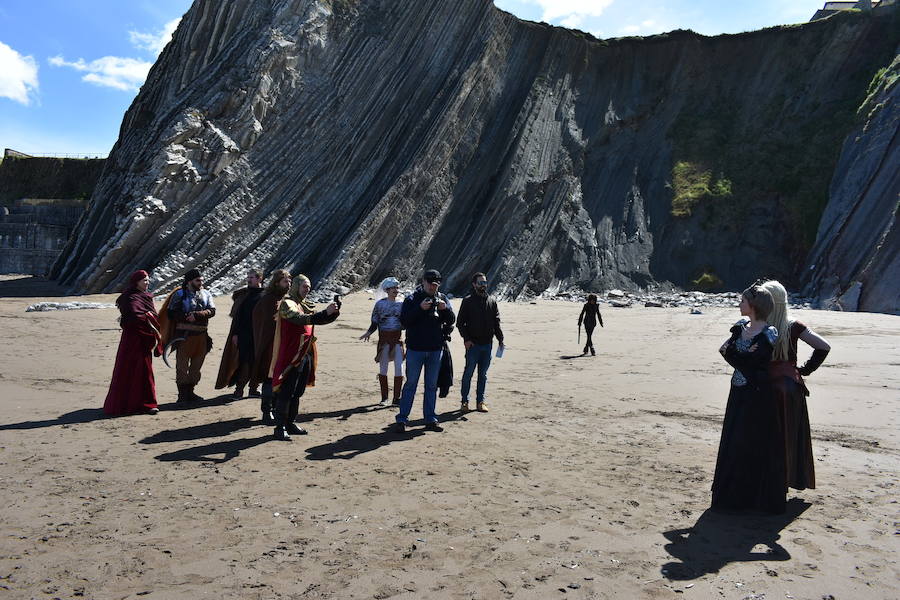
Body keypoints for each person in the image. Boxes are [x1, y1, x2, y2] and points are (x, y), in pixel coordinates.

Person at [711, 284, 786, 514]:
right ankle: (731, 496)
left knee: (753, 442)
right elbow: (726, 351)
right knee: (733, 440)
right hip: (739, 392)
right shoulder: (741, 328)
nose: (739, 304)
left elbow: (748, 360)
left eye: (743, 301)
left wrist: (738, 357)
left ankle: (751, 498)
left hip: (758, 396)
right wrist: (742, 357)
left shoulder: (768, 333)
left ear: (753, 306)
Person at [760, 279, 831, 492]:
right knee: (790, 437)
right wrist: (804, 369)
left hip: (764, 386)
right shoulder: (793, 325)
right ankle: (790, 479)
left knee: (764, 436)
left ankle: (765, 481)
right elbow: (824, 347)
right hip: (790, 386)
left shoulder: (759, 326)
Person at [270, 274, 340, 441]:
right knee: (286, 391)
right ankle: (279, 427)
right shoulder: (288, 304)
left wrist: (333, 313)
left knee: (297, 392)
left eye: (309, 287)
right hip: (291, 354)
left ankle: (290, 422)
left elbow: (317, 320)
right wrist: (325, 312)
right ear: (296, 286)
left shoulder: (304, 305)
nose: (307, 289)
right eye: (304, 286)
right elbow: (300, 319)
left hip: (305, 353)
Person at [394, 269, 455, 433]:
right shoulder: (412, 299)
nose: (432, 286)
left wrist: (445, 310)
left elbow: (451, 320)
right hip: (415, 349)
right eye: (430, 282)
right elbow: (404, 321)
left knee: (431, 386)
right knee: (411, 384)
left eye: (436, 284)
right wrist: (420, 308)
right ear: (423, 281)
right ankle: (402, 419)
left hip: (435, 350)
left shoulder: (442, 298)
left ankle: (430, 418)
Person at [103, 270, 162, 416]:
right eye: (144, 281)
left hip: (144, 339)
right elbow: (135, 317)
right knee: (131, 370)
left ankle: (146, 403)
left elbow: (149, 315)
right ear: (136, 282)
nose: (147, 283)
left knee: (145, 372)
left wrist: (150, 320)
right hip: (133, 340)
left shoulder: (145, 296)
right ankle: (142, 404)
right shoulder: (130, 297)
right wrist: (149, 319)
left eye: (148, 280)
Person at [159, 268, 216, 403]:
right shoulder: (179, 294)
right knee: (182, 367)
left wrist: (198, 315)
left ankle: (191, 392)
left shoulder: (207, 294)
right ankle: (182, 395)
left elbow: (212, 311)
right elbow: (171, 313)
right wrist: (186, 317)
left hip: (202, 337)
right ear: (190, 281)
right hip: (184, 337)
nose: (200, 282)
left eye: (201, 280)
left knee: (196, 367)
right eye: (198, 280)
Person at [456, 272, 504, 413]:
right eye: (480, 283)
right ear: (474, 284)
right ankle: (464, 402)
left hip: (487, 345)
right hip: (473, 345)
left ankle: (480, 402)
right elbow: (460, 323)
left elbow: (496, 323)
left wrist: (500, 339)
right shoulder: (468, 301)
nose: (483, 285)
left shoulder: (492, 301)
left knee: (483, 375)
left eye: (485, 282)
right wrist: (466, 339)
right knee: (468, 373)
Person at [215, 268, 264, 399]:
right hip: (244, 335)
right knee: (244, 362)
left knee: (258, 362)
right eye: (248, 277)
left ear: (260, 279)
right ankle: (239, 390)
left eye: (252, 277)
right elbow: (238, 317)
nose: (249, 279)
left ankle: (253, 389)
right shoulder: (244, 295)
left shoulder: (265, 295)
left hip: (259, 335)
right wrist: (235, 334)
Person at [251, 269, 291, 423]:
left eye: (289, 282)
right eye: (285, 281)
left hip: (283, 347)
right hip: (270, 348)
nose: (288, 284)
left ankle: (275, 409)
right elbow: (268, 323)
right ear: (276, 283)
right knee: (269, 379)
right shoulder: (269, 300)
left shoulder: (285, 299)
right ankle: (266, 412)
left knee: (281, 379)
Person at [359, 277, 405, 407]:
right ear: (387, 290)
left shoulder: (402, 303)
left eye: (397, 288)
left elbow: (408, 320)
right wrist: (368, 333)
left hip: (397, 339)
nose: (396, 290)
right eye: (393, 288)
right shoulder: (380, 305)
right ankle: (384, 398)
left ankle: (397, 398)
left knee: (399, 369)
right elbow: (375, 322)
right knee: (383, 368)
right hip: (384, 340)